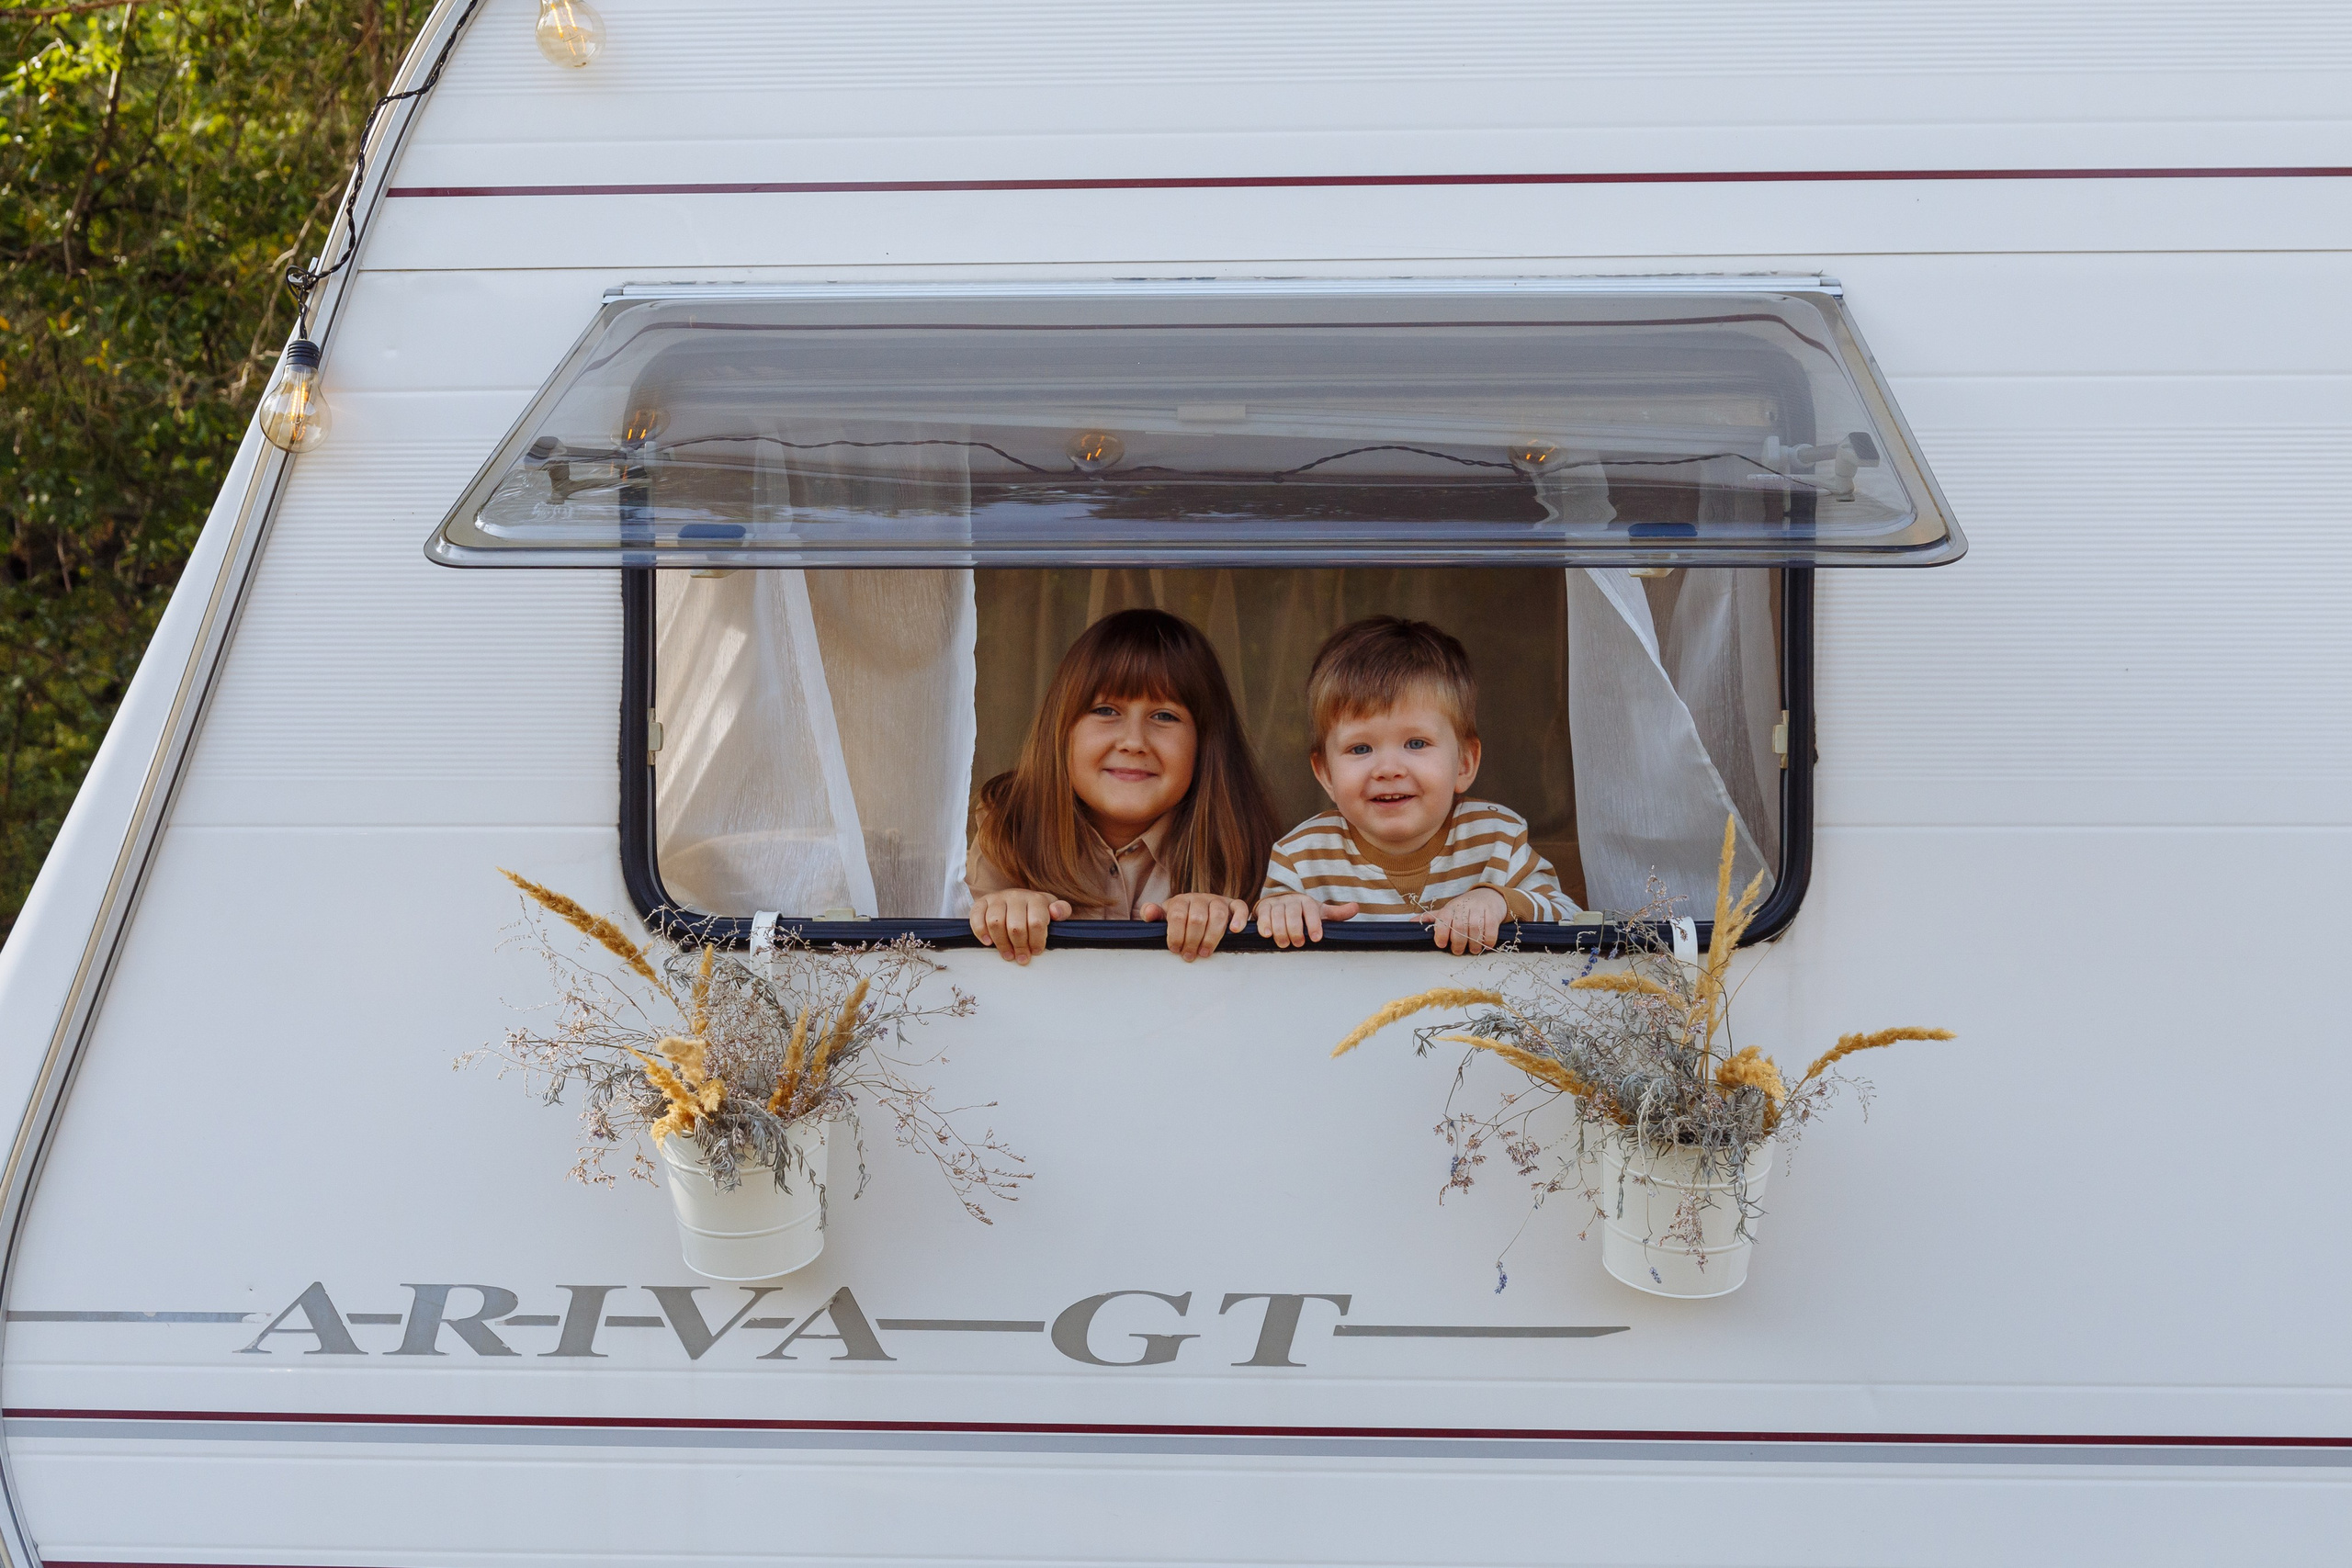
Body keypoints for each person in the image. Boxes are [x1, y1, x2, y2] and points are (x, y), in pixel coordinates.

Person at [967, 608, 1280, 964]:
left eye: (1164, 716)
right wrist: (1002, 911)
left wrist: (1221, 919)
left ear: (1205, 744)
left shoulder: (1244, 852)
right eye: (1106, 711)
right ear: (1061, 730)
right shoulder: (1009, 832)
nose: (1133, 742)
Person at [1256, 615, 1577, 954]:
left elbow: (1572, 919)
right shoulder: (1300, 858)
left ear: (1464, 763)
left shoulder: (1498, 839)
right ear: (1326, 774)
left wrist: (1497, 901)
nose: (1388, 770)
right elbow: (1261, 951)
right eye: (1361, 748)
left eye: (1416, 743)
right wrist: (1283, 912)